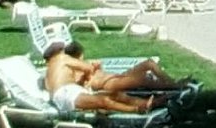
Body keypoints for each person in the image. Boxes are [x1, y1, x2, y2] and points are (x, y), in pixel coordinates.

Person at [42, 40, 178, 114]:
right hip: (67, 94)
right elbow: (88, 68)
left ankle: (151, 103)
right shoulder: (62, 59)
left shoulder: (52, 70)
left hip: (69, 92)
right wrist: (89, 74)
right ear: (59, 52)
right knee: (104, 101)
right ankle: (139, 109)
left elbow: (50, 88)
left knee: (116, 96)